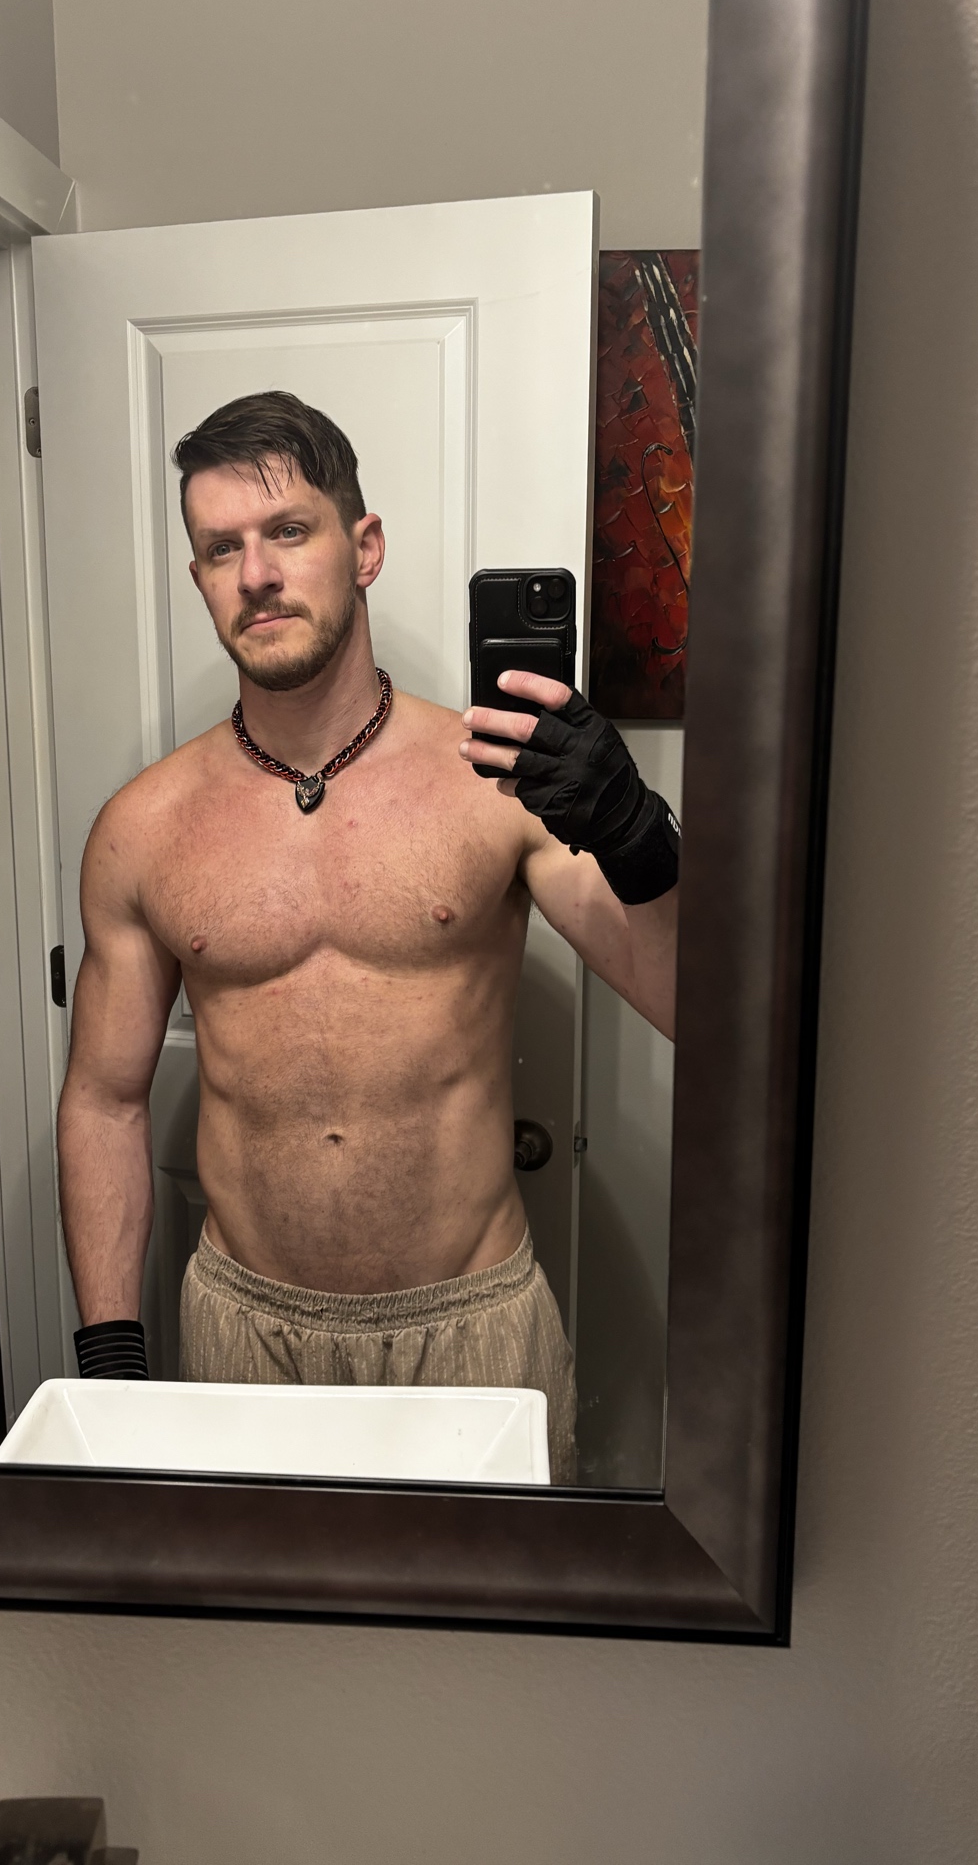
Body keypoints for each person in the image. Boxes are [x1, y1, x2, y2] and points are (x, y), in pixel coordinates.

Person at [56, 392, 680, 1483]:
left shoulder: (506, 785)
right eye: (221, 548)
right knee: (258, 1604)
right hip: (245, 1333)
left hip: (472, 1324)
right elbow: (105, 1101)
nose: (257, 573)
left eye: (289, 530)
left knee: (503, 1603)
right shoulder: (142, 829)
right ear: (199, 578)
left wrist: (638, 836)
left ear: (365, 547)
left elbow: (698, 1007)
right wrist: (109, 1358)